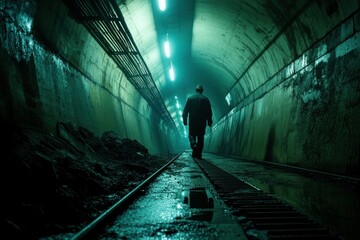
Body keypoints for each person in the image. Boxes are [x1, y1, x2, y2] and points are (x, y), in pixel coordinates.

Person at [182, 84, 213, 159]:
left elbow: (185, 111)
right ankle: (199, 154)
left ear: (196, 90)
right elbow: (209, 111)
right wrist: (209, 121)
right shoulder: (206, 99)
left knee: (191, 135)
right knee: (201, 137)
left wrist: (185, 120)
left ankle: (194, 145)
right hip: (202, 122)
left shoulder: (190, 98)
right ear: (202, 91)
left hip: (192, 121)